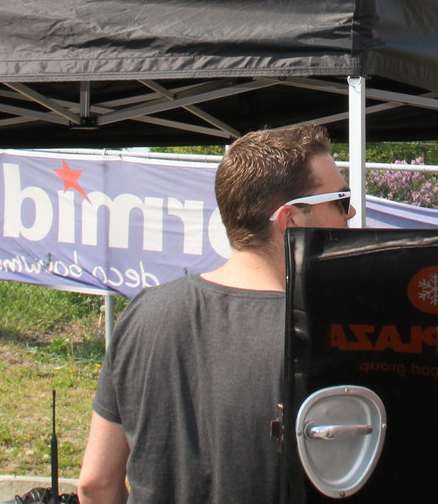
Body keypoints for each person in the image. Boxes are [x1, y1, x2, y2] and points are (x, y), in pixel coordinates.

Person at [76, 123, 354, 504]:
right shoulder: (327, 334)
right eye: (340, 200)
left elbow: (94, 484)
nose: (351, 212)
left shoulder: (142, 315)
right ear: (290, 220)